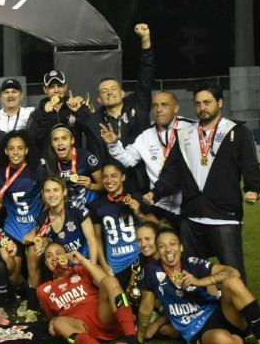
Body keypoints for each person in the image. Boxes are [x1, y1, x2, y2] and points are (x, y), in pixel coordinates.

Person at [143, 82, 260, 284]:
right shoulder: (185, 135)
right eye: (198, 103)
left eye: (207, 102)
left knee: (233, 276)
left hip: (224, 217)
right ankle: (205, 315)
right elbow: (171, 172)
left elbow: (249, 164)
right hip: (191, 218)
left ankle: (243, 316)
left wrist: (253, 189)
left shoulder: (236, 131)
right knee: (193, 276)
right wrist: (155, 193)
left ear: (220, 102)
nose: (202, 108)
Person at [137, 229, 260, 344]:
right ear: (157, 250)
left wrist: (199, 281)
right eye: (162, 246)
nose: (168, 249)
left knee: (232, 282)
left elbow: (233, 272)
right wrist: (137, 341)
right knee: (223, 341)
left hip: (221, 313)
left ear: (181, 247)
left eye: (173, 244)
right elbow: (145, 309)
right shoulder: (151, 272)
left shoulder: (192, 263)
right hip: (198, 331)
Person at [37, 244, 148, 344]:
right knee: (57, 322)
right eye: (49, 256)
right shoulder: (43, 290)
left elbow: (105, 281)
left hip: (103, 317)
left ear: (66, 256)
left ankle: (133, 342)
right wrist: (53, 323)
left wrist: (83, 261)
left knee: (110, 281)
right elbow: (53, 318)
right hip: (81, 328)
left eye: (58, 253)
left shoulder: (81, 270)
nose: (54, 258)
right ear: (45, 262)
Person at [100, 90, 194, 228]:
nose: (159, 109)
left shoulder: (191, 129)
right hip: (159, 206)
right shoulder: (145, 136)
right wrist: (113, 145)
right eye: (155, 105)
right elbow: (127, 160)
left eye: (164, 105)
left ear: (176, 108)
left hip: (189, 205)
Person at [90, 23, 156, 192]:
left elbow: (146, 77)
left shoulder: (138, 105)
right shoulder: (95, 121)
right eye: (104, 91)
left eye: (113, 89)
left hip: (142, 181)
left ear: (123, 93)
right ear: (99, 99)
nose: (109, 93)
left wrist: (145, 41)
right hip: (111, 185)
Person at [0, 130, 48, 322]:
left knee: (33, 264)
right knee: (13, 269)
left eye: (20, 148)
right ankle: (25, 295)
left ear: (27, 150)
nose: (16, 152)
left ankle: (32, 307)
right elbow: (0, 201)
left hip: (33, 225)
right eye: (12, 148)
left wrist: (36, 229)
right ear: (5, 151)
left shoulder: (37, 170)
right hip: (12, 227)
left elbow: (48, 201)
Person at [90, 161, 158, 290]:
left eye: (114, 176)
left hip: (138, 257)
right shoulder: (97, 206)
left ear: (123, 177)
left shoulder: (136, 198)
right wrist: (104, 265)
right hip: (115, 265)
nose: (109, 180)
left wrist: (139, 213)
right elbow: (97, 238)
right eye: (105, 177)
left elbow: (157, 227)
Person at [31, 176, 100, 265]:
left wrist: (92, 268)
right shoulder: (42, 220)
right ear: (43, 194)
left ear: (64, 192)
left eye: (56, 190)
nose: (51, 194)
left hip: (86, 264)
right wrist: (43, 247)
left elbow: (91, 241)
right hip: (64, 270)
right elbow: (46, 246)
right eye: (47, 191)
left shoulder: (77, 209)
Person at [131, 221, 180, 340]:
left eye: (148, 239)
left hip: (182, 305)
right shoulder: (141, 259)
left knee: (164, 330)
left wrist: (156, 324)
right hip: (159, 306)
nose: (143, 244)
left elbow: (182, 299)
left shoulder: (171, 258)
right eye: (139, 240)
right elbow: (132, 286)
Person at [27, 69, 93, 152]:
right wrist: (44, 114)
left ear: (65, 87)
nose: (56, 90)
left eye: (59, 86)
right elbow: (30, 139)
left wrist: (80, 111)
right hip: (47, 162)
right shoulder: (38, 112)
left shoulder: (76, 106)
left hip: (74, 161)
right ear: (45, 89)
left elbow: (93, 133)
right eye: (51, 87)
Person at [46, 124, 103, 209]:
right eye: (55, 140)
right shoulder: (48, 163)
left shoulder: (86, 157)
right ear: (52, 143)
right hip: (66, 210)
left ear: (72, 140)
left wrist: (91, 186)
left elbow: (103, 185)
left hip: (90, 206)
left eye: (64, 138)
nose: (60, 143)